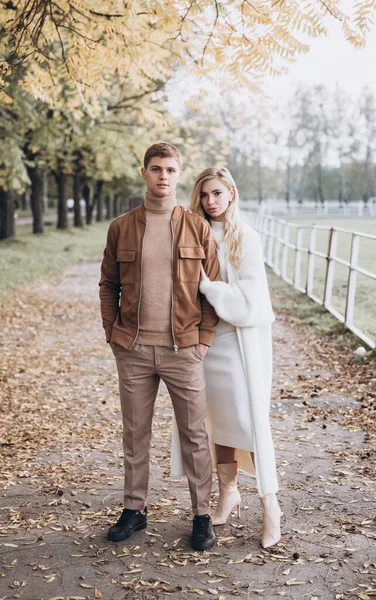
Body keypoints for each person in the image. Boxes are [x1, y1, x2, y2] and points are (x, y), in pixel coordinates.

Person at [99, 143, 221, 551]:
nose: (163, 176)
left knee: (195, 435)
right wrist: (111, 336)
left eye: (170, 169)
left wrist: (202, 342)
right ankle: (135, 509)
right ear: (143, 172)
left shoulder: (196, 227)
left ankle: (202, 515)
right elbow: (109, 286)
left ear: (179, 173)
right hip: (133, 349)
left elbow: (214, 291)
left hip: (183, 349)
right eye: (156, 169)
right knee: (135, 434)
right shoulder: (121, 227)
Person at [189, 165, 281, 548]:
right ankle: (228, 493)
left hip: (240, 339)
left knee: (249, 420)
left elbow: (252, 299)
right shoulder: (193, 232)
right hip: (206, 341)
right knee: (217, 420)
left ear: (231, 194)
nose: (211, 202)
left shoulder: (246, 237)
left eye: (218, 194)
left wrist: (209, 289)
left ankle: (271, 506)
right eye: (205, 195)